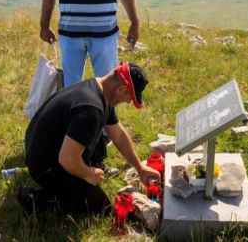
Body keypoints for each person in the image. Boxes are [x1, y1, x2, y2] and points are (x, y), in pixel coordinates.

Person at [19, 62, 160, 216]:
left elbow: (118, 133)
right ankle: (36, 198)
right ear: (121, 89)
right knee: (101, 209)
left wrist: (140, 167)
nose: (128, 102)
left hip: (49, 148)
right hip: (45, 166)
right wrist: (88, 173)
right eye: (129, 97)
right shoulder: (91, 108)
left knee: (93, 129)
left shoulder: (100, 89)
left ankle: (88, 166)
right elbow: (67, 159)